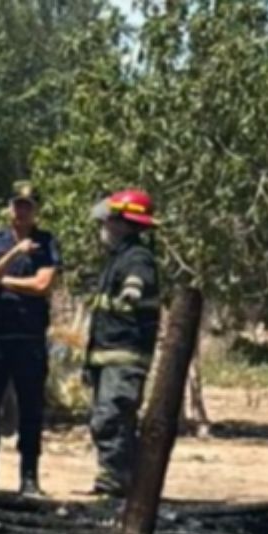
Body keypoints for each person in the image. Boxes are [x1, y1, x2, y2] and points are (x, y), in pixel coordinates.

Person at [0, 181, 62, 494]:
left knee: (31, 409)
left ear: (36, 210)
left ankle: (29, 478)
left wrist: (4, 280)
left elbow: (42, 285)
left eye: (28, 205)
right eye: (17, 204)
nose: (21, 210)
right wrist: (13, 254)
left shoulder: (46, 242)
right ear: (10, 208)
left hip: (29, 337)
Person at [85, 189, 161, 496]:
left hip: (123, 358)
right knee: (108, 419)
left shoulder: (137, 258)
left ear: (126, 224)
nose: (105, 227)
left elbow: (137, 279)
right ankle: (118, 479)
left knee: (112, 418)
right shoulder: (116, 259)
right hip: (107, 356)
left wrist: (132, 290)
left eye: (111, 221)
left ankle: (114, 482)